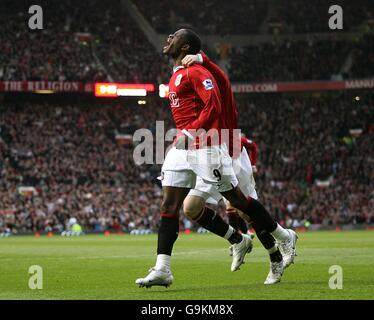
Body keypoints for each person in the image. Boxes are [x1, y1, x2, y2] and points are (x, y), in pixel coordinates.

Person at [135, 29, 297, 288]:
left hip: (207, 144)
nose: (168, 38)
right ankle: (163, 268)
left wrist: (191, 129)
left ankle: (282, 236)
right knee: (172, 205)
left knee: (238, 203)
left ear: (186, 47)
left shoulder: (197, 71)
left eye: (174, 36)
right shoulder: (178, 74)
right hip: (184, 146)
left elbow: (216, 105)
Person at [181, 51, 295, 284]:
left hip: (229, 152)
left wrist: (203, 58)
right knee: (191, 207)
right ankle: (238, 240)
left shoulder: (217, 93)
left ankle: (277, 252)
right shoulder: (192, 98)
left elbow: (222, 80)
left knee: (243, 209)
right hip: (205, 153)